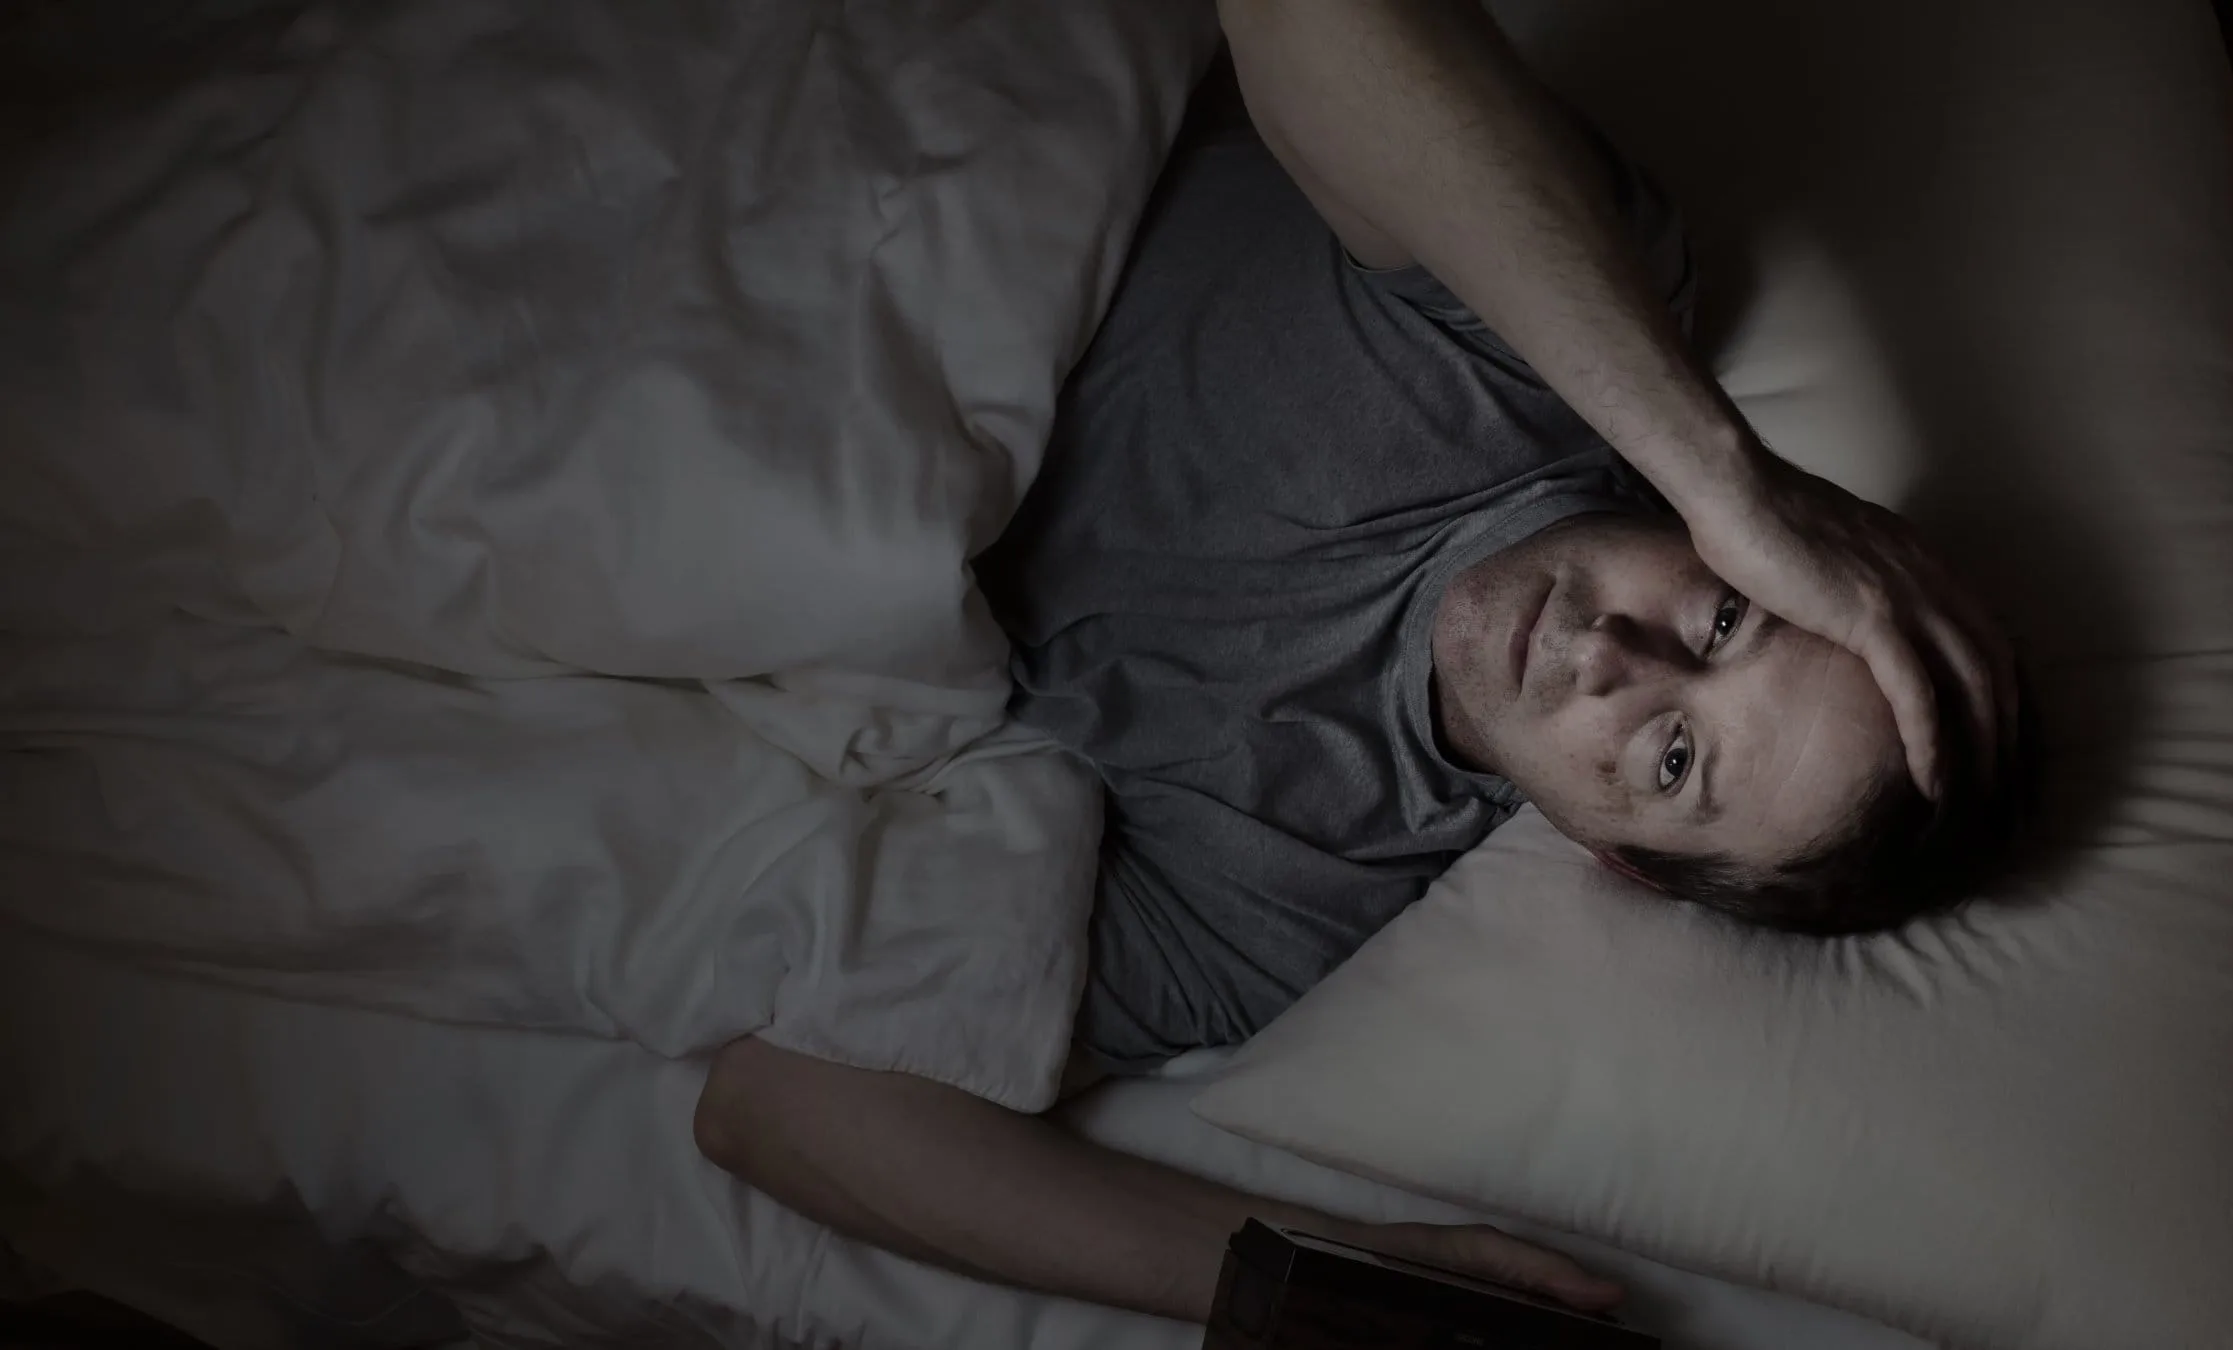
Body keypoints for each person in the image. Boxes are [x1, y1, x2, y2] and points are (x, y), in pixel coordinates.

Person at [694, 0, 2021, 1323]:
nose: (1617, 657)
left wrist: (1281, 1255)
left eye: (1676, 757)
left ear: (1613, 858)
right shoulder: (1561, 342)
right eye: (1729, 619)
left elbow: (780, 1102)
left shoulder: (1286, 898)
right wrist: (1719, 470)